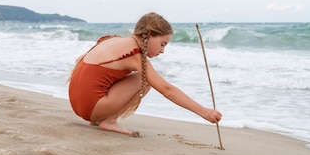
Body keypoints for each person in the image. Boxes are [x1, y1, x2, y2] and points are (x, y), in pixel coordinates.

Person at [68, 12, 222, 136]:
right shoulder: (135, 55)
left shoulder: (113, 40)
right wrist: (204, 111)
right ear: (148, 35)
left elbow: (79, 60)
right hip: (90, 107)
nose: (162, 51)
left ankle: (100, 118)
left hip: (77, 103)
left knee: (124, 76)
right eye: (162, 44)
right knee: (147, 80)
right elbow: (166, 89)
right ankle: (109, 121)